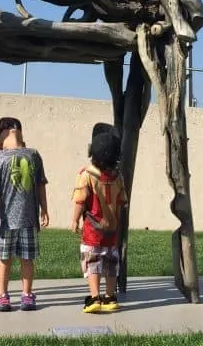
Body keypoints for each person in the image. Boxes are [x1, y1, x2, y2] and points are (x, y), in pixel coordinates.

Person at [0, 116, 49, 312]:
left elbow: (40, 184)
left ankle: (27, 294)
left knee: (27, 259)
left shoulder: (33, 155)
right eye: (8, 129)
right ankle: (2, 295)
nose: (12, 132)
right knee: (4, 259)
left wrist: (44, 208)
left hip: (29, 220)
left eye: (15, 129)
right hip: (5, 221)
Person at [70, 127, 128, 313]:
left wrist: (74, 219)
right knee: (111, 263)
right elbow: (121, 202)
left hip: (92, 231)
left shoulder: (86, 174)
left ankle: (95, 297)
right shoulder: (118, 177)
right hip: (112, 231)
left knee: (92, 261)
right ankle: (110, 297)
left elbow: (80, 200)